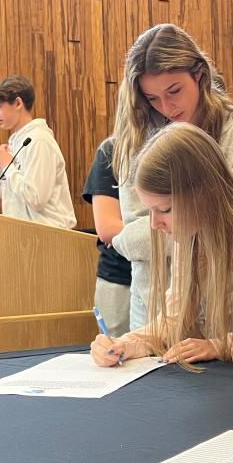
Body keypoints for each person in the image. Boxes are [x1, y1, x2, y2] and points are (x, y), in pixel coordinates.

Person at [90, 122, 233, 367]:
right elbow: (176, 314)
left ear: (203, 193)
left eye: (165, 210)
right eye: (151, 212)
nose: (155, 224)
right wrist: (126, 344)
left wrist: (220, 345)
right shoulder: (195, 228)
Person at [110, 25, 233, 331]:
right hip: (154, 299)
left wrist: (124, 240)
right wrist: (138, 234)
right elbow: (144, 229)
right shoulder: (134, 136)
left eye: (174, 91)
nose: (166, 107)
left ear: (200, 75)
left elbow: (230, 221)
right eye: (152, 98)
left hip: (224, 300)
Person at [0, 75, 76, 228]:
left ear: (18, 103)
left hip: (49, 236)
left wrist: (7, 165)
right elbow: (15, 199)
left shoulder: (39, 140)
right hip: (23, 235)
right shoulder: (17, 142)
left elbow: (36, 198)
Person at [83, 135, 132, 336]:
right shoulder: (112, 150)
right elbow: (109, 229)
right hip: (119, 277)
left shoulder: (178, 147)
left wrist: (126, 232)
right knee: (118, 357)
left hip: (173, 278)